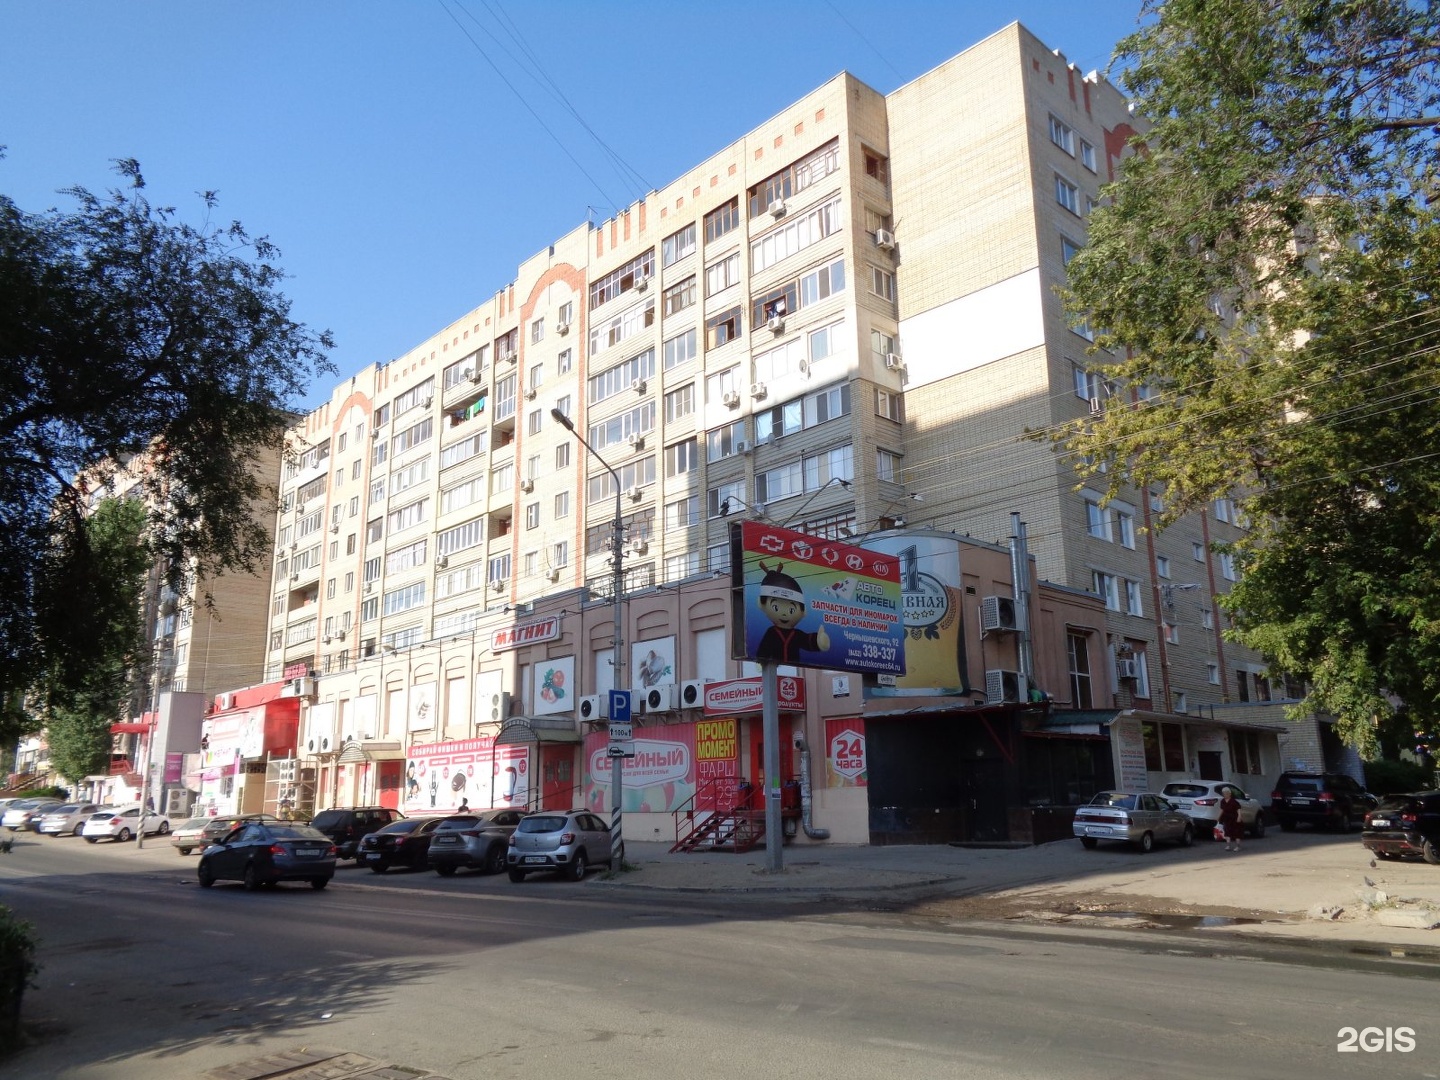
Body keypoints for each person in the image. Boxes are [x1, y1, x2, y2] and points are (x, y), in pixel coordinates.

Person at [1217, 786, 1243, 851]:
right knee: (1227, 832)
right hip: (1227, 818)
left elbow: (1238, 809)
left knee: (1236, 832)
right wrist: (1219, 817)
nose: (1225, 795)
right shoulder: (1223, 801)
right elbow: (1222, 810)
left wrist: (1239, 816)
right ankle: (1228, 845)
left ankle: (1238, 846)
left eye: (1226, 793)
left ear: (1229, 794)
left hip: (1234, 818)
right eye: (1224, 793)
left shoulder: (1234, 801)